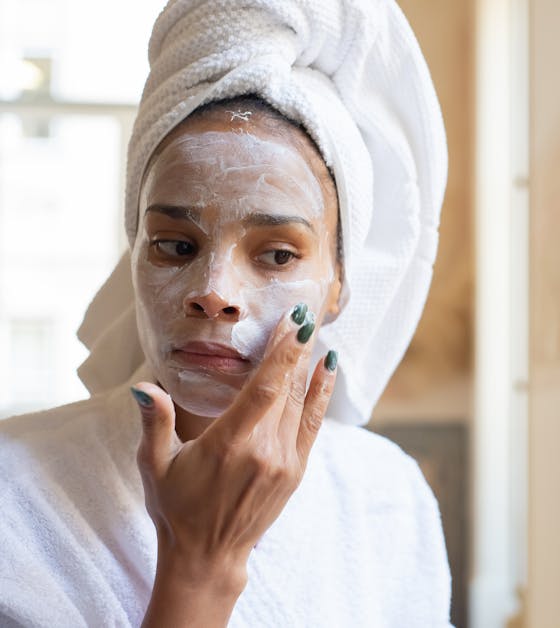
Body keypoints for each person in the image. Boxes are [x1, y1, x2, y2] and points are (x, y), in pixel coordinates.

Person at [0, 0, 452, 626]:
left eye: (275, 254)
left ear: (338, 288)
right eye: (176, 246)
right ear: (133, 258)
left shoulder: (389, 498)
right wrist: (199, 568)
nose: (213, 292)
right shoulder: (12, 493)